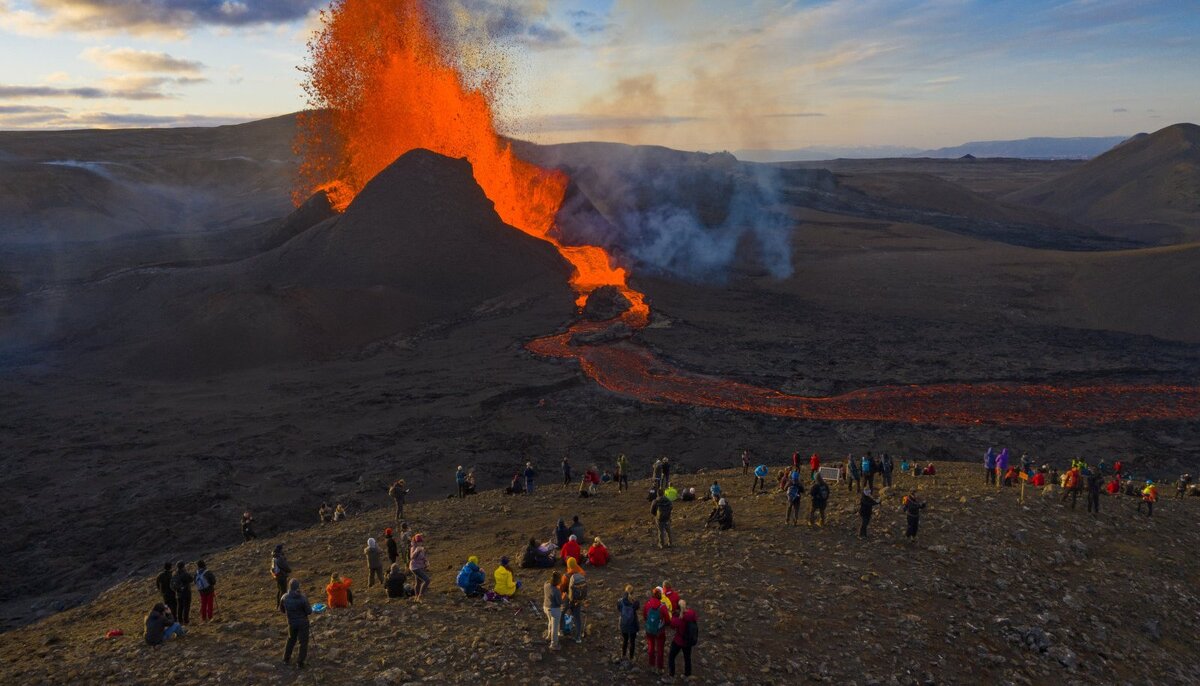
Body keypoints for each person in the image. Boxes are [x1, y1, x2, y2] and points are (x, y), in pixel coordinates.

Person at [280, 579, 311, 669]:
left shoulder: (284, 597)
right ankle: (300, 663)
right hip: (303, 623)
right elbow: (309, 611)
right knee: (303, 642)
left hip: (291, 622)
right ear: (298, 587)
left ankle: (286, 659)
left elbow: (282, 610)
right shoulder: (302, 598)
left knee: (291, 640)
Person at [669, 599, 698, 678]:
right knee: (687, 658)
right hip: (688, 641)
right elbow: (695, 619)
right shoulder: (692, 613)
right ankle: (687, 674)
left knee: (671, 657)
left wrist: (675, 615)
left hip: (678, 641)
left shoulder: (679, 618)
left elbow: (672, 625)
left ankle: (671, 674)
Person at [643, 588, 667, 672]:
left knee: (651, 646)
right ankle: (659, 667)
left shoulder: (647, 604)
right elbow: (667, 619)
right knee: (660, 648)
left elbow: (645, 616)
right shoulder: (662, 606)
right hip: (660, 631)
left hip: (650, 629)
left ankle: (651, 664)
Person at [566, 557, 588, 643]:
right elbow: (582, 571)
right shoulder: (580, 574)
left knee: (565, 613)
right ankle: (578, 637)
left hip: (569, 599)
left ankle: (564, 630)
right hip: (578, 599)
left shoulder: (567, 576)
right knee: (577, 617)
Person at [617, 585, 640, 662]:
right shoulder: (635, 603)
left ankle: (623, 655)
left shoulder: (620, 601)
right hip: (633, 624)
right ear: (633, 593)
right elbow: (638, 607)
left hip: (624, 624)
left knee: (625, 640)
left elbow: (619, 609)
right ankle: (631, 657)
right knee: (632, 641)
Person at [543, 572, 563, 650]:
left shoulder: (546, 585)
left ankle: (548, 636)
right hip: (554, 609)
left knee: (550, 622)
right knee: (555, 626)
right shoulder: (556, 591)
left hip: (546, 607)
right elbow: (559, 602)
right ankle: (554, 644)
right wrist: (563, 597)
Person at [409, 534, 430, 600]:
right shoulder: (413, 548)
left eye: (420, 541)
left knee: (418, 582)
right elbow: (412, 557)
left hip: (420, 566)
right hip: (415, 567)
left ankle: (416, 596)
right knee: (427, 580)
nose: (419, 543)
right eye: (418, 541)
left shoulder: (421, 548)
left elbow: (423, 557)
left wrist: (426, 561)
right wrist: (416, 550)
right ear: (415, 541)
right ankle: (420, 596)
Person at [271, 544, 292, 609]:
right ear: (280, 550)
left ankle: (278, 605)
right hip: (281, 576)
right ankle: (282, 606)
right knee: (283, 591)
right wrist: (289, 570)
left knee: (279, 590)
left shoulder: (273, 558)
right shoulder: (279, 558)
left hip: (277, 577)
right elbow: (285, 567)